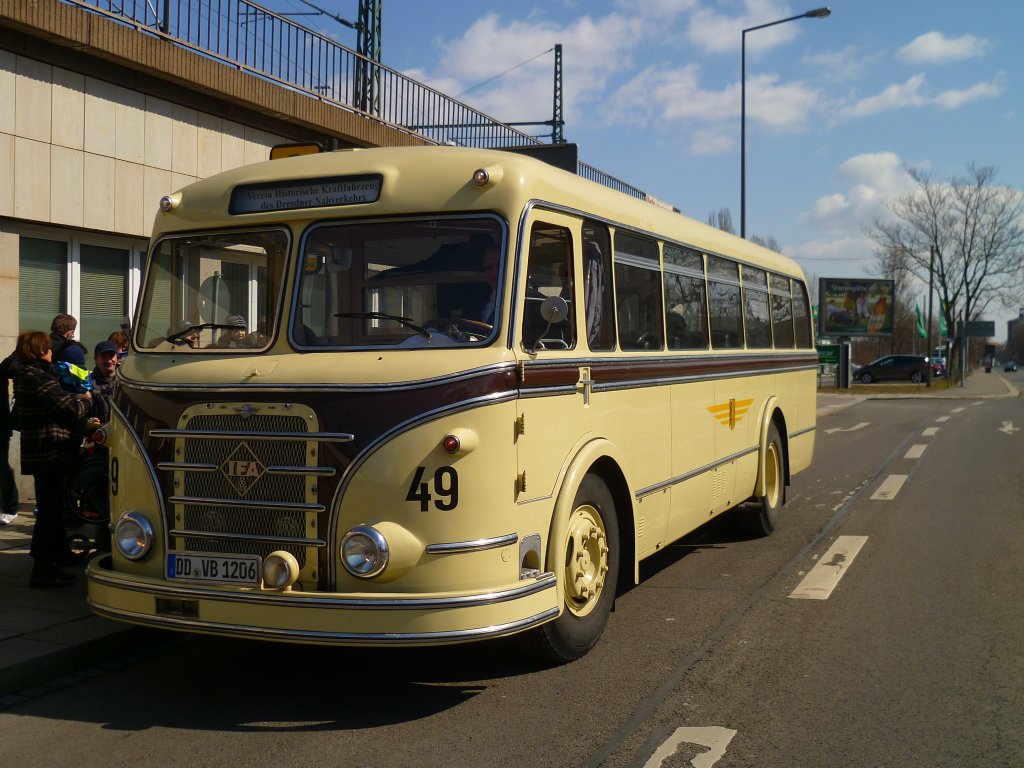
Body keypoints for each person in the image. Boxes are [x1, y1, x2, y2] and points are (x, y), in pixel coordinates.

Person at [14, 330, 92, 588]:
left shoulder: (35, 375)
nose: (51, 351)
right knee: (48, 513)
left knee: (53, 508)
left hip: (46, 451)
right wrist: (85, 399)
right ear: (38, 351)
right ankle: (42, 569)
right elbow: (70, 409)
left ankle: (58, 558)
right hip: (48, 451)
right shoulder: (36, 377)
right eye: (47, 347)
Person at [0, 349, 20, 525]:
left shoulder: (2, 369)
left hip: (0, 428)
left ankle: (10, 507)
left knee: (2, 468)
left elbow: (12, 360)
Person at [89, 340, 119, 425]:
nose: (109, 361)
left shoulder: (125, 383)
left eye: (111, 356)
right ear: (95, 359)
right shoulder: (88, 383)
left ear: (117, 358)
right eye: (104, 356)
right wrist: (90, 421)